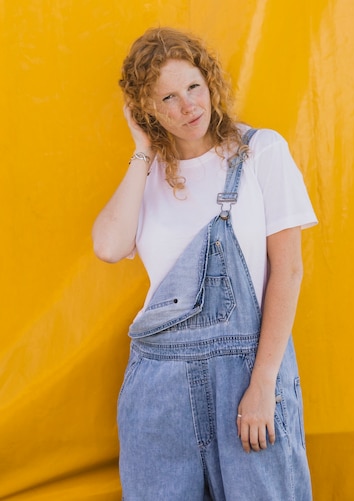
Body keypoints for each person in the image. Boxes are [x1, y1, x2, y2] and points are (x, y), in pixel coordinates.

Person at [92, 26, 317, 501]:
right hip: (159, 388)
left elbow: (288, 272)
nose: (188, 106)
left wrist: (263, 384)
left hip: (246, 376)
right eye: (167, 98)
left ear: (209, 81)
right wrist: (141, 150)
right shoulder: (148, 176)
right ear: (147, 110)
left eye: (193, 87)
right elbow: (109, 246)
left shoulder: (261, 152)